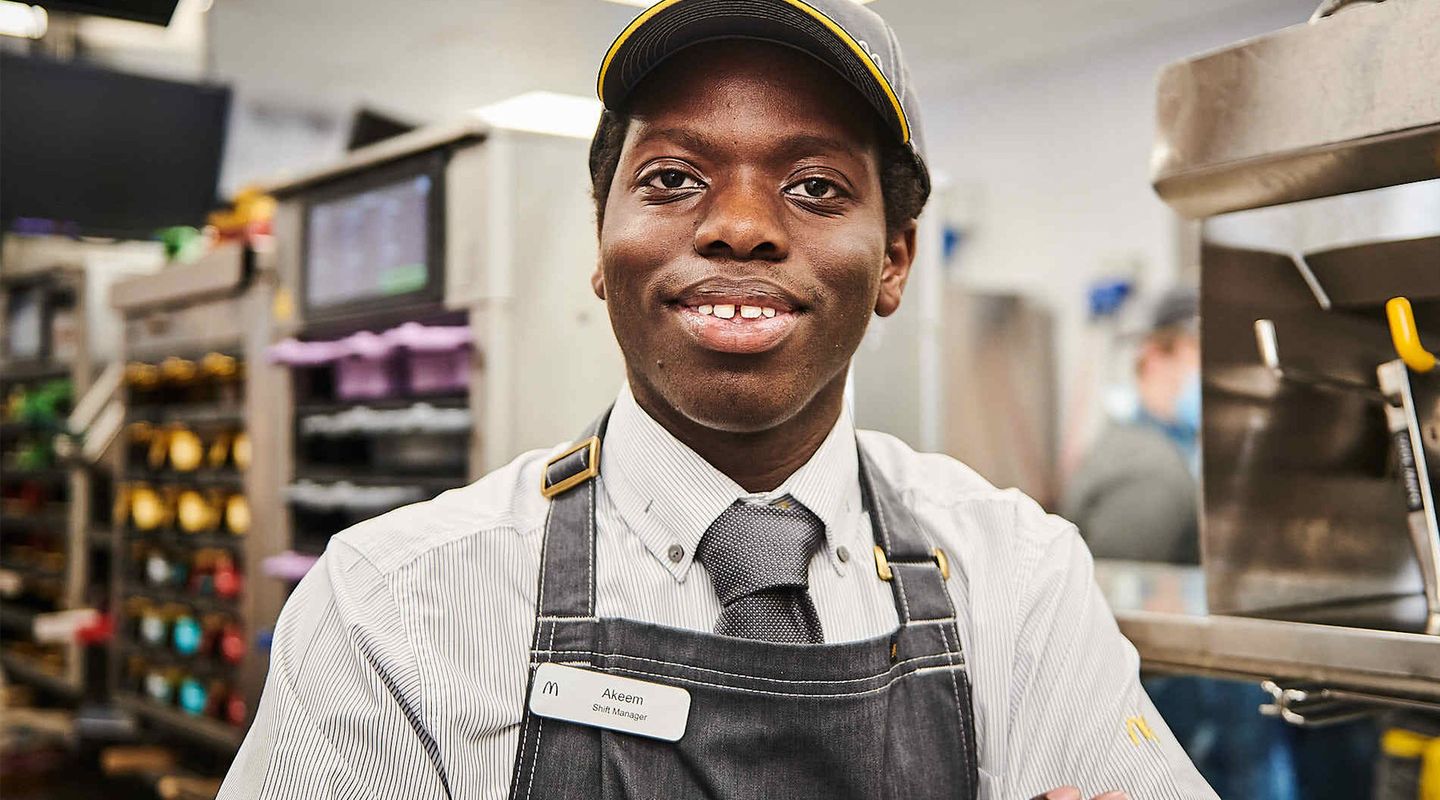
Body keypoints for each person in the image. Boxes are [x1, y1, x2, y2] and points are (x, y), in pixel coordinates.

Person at [219, 3, 1217, 798]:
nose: (741, 226)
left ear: (895, 260)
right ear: (601, 245)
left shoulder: (1020, 579)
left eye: (817, 186)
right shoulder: (388, 614)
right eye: (673, 177)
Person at [1063, 289, 1201, 564]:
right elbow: (1114, 592)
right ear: (1154, 358)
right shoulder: (1151, 470)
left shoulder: (1143, 443)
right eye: (1201, 359)